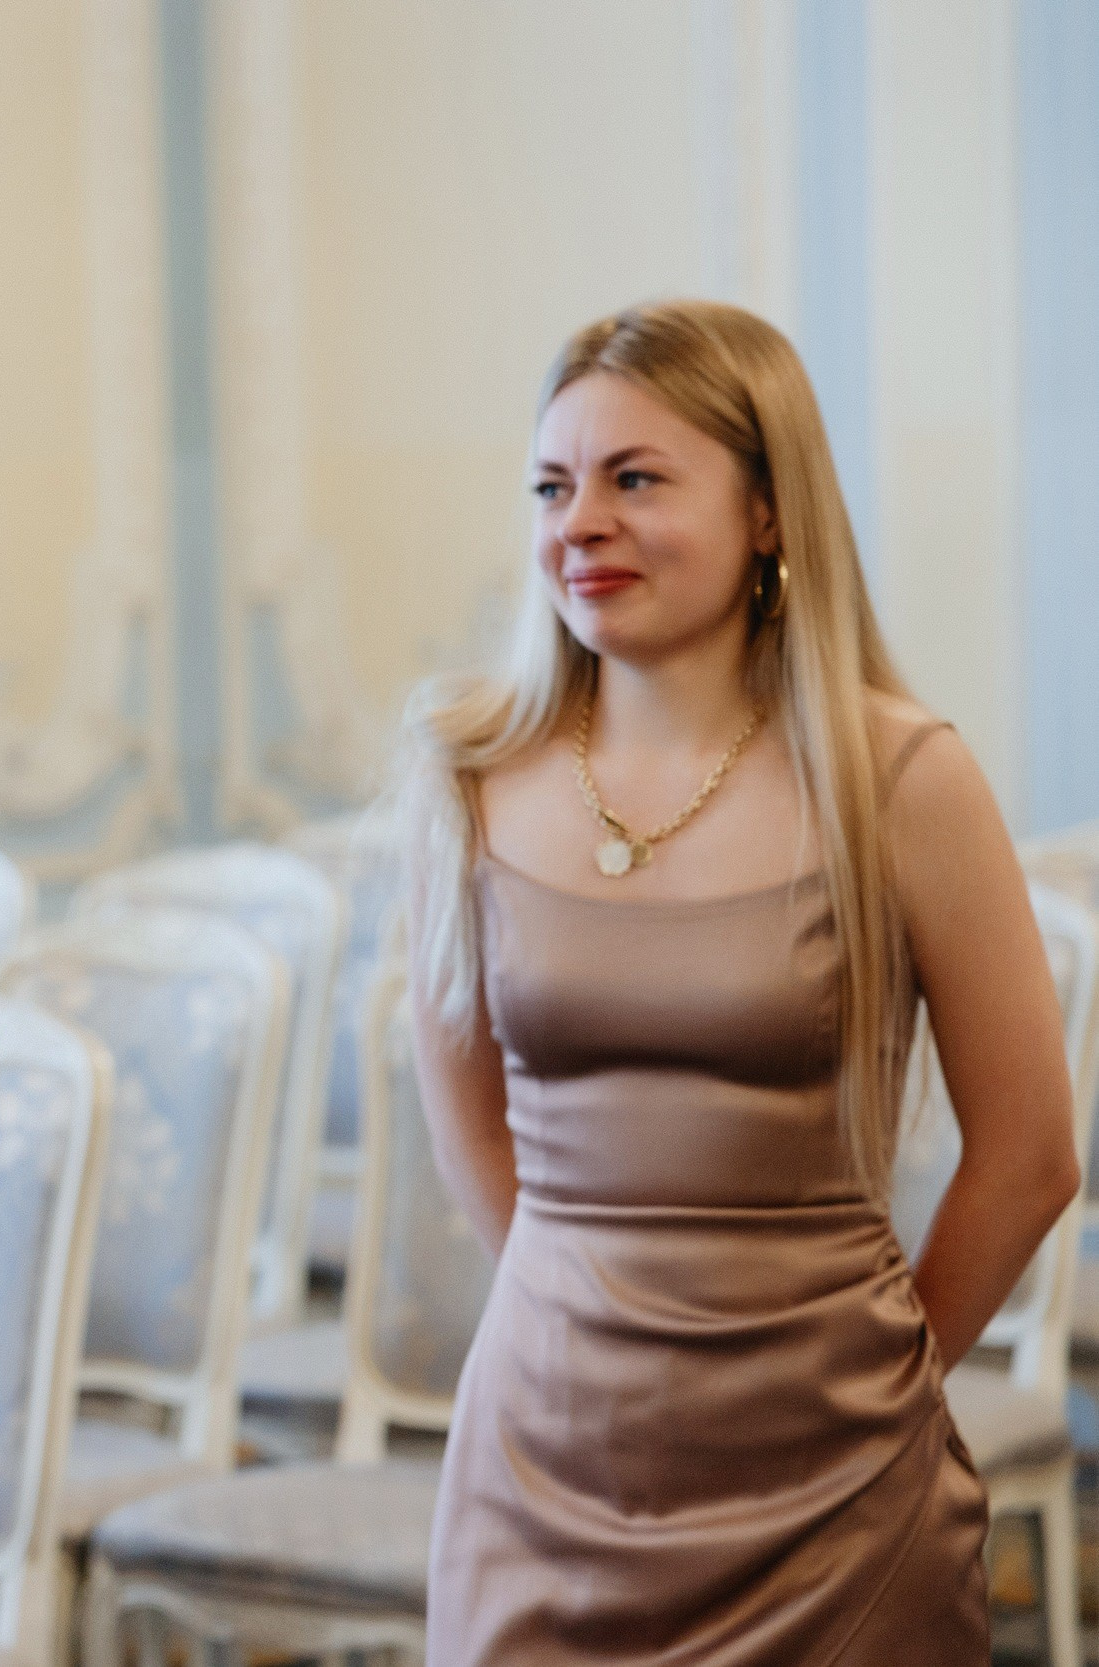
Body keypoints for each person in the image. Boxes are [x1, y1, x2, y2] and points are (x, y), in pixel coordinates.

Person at [403, 298, 1080, 1661]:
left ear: (770, 514)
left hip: (835, 1484)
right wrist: (577, 1314)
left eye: (635, 479)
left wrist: (885, 1379)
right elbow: (472, 1126)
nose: (579, 522)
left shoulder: (900, 778)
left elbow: (1031, 1152)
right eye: (553, 484)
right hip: (542, 1476)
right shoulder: (468, 778)